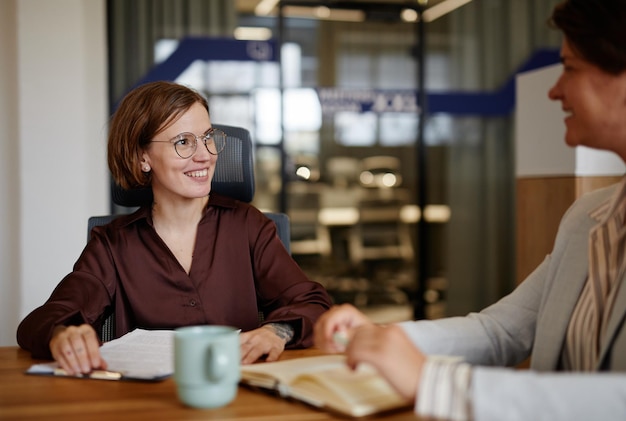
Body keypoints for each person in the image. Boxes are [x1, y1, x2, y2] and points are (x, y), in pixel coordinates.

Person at [314, 0, 626, 420]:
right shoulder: (587, 219)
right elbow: (500, 331)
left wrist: (435, 383)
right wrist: (380, 337)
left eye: (570, 68)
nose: (554, 90)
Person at [17, 81, 332, 374]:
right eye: (184, 142)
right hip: (147, 407)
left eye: (208, 138)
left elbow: (313, 303)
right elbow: (45, 320)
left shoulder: (248, 225)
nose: (205, 155)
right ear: (143, 158)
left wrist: (276, 332)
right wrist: (62, 335)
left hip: (239, 399)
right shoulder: (112, 244)